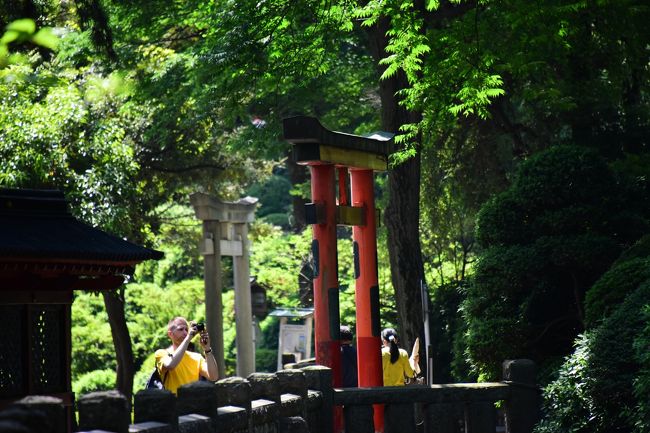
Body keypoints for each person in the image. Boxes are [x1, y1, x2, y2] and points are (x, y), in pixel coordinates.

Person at [155, 317, 219, 394]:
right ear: (170, 334)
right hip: (172, 404)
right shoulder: (162, 353)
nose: (185, 333)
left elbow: (213, 376)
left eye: (186, 329)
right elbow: (170, 365)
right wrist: (188, 338)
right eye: (181, 329)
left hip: (191, 403)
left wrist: (207, 349)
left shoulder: (197, 357)